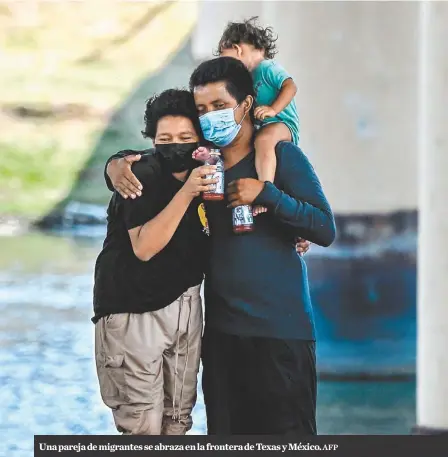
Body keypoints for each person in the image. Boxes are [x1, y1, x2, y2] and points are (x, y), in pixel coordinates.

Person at [107, 57, 335, 436]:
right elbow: (150, 159)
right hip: (222, 340)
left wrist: (269, 195)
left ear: (245, 106)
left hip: (282, 335)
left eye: (219, 106)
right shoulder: (197, 166)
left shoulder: (280, 158)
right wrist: (114, 166)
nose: (210, 116)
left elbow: (324, 228)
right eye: (202, 109)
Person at [92, 89, 219, 435]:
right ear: (152, 140)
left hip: (186, 306)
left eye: (185, 137)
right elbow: (145, 247)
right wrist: (188, 192)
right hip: (133, 309)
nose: (175, 145)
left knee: (178, 421)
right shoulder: (139, 174)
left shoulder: (211, 171)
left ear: (200, 138)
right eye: (165, 138)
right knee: (142, 427)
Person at [218, 16, 300, 188]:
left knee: (264, 140)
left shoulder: (267, 67)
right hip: (264, 125)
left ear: (237, 49)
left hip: (282, 123)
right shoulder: (250, 76)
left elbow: (290, 86)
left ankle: (266, 188)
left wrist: (273, 109)